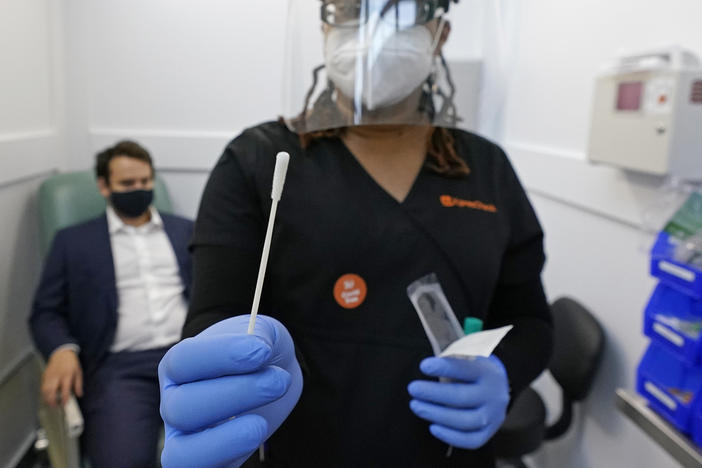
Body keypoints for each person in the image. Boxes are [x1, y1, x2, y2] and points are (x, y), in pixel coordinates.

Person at [158, 1, 553, 467]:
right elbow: (214, 316)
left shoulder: (487, 169)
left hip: (447, 453)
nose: (374, 31)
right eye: (351, 10)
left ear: (440, 35)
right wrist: (222, 380)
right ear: (325, 29)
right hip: (305, 449)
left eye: (401, 12)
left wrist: (504, 371)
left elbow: (532, 322)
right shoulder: (258, 160)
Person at [29, 141, 193, 468]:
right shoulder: (73, 242)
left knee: (223, 447)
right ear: (104, 186)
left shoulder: (185, 230)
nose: (139, 189)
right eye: (127, 184)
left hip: (188, 357)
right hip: (120, 369)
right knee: (123, 459)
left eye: (145, 182)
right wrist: (62, 349)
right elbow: (46, 311)